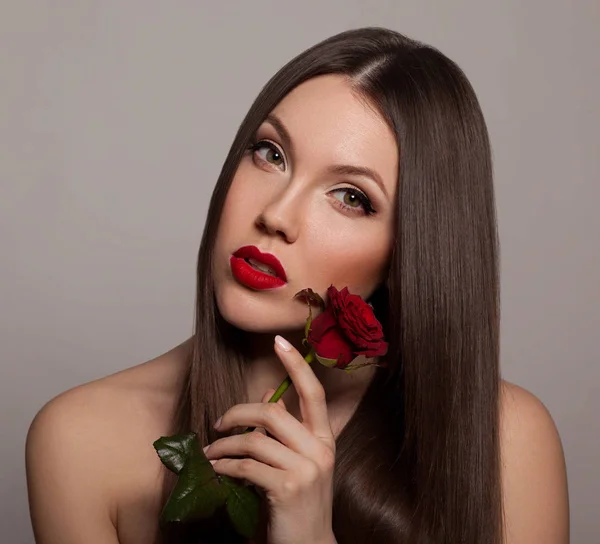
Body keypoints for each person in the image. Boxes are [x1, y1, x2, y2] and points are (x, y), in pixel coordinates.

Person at [25, 27, 569, 543]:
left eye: (351, 197)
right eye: (271, 154)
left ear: (412, 249)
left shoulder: (506, 442)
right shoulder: (82, 440)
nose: (276, 215)